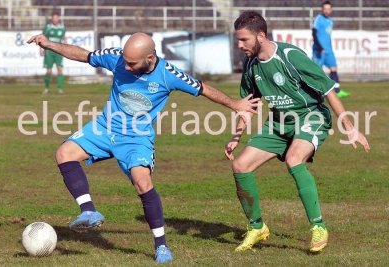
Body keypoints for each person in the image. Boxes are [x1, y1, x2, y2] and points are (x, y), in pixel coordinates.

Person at [27, 32, 259, 263]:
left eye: (132, 63)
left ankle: (161, 247)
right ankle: (88, 211)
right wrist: (49, 45)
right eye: (125, 61)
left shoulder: (168, 74)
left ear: (150, 57)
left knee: (142, 182)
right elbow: (83, 55)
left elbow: (203, 88)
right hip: (104, 128)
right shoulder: (117, 58)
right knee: (64, 153)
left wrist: (235, 104)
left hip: (136, 139)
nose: (126, 67)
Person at [225, 11, 370, 253]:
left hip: (310, 117)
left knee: (294, 159)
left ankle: (318, 227)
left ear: (261, 36)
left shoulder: (290, 56)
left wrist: (350, 128)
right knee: (240, 166)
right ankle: (257, 227)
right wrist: (236, 136)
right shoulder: (250, 64)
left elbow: (327, 90)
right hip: (279, 123)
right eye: (237, 40)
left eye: (244, 40)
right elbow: (248, 105)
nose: (239, 45)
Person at [312, 1, 350, 98]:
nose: (327, 11)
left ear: (331, 10)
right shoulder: (318, 19)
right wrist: (320, 47)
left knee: (334, 68)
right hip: (319, 50)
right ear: (322, 9)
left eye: (328, 9)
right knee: (316, 71)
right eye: (325, 9)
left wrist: (330, 49)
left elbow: (327, 37)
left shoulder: (330, 20)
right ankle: (315, 91)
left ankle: (337, 91)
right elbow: (314, 33)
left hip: (328, 50)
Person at [41, 11, 67, 94]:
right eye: (53, 17)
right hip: (49, 51)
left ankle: (60, 88)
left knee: (60, 69)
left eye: (56, 17)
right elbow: (42, 38)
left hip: (59, 51)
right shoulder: (48, 27)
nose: (55, 19)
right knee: (49, 71)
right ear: (52, 18)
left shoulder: (62, 28)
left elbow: (64, 38)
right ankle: (47, 88)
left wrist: (66, 48)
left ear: (58, 18)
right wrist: (41, 49)